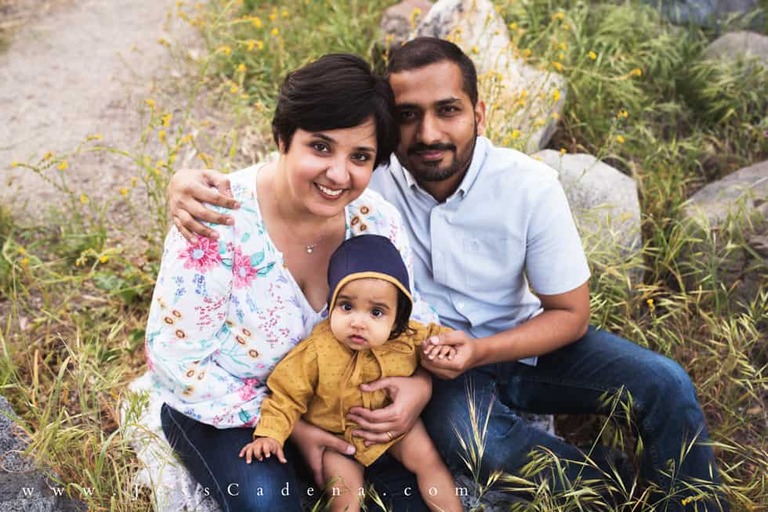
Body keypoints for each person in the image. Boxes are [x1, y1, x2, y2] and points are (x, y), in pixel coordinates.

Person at [168, 38, 729, 510]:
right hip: (426, 366)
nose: (428, 133)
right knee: (474, 440)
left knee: (665, 382)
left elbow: (571, 314)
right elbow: (297, 160)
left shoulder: (523, 187)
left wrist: (473, 355)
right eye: (408, 115)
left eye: (448, 110)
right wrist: (182, 184)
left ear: (479, 114)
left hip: (517, 345)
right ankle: (613, 489)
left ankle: (694, 502)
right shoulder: (367, 182)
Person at [144, 52, 444, 511]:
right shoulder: (215, 219)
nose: (338, 174)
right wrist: (294, 426)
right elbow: (176, 360)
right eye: (320, 147)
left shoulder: (375, 222)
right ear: (283, 137)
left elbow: (408, 318)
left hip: (341, 401)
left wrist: (421, 384)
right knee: (267, 501)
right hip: (225, 408)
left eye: (360, 156)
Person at [239, 234, 461, 512]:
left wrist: (443, 349)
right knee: (345, 494)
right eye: (346, 306)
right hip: (336, 437)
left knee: (427, 459)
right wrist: (270, 435)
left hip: (394, 427)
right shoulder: (316, 350)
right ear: (331, 304)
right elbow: (285, 395)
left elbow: (441, 338)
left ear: (397, 320)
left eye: (376, 312)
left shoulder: (408, 338)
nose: (358, 322)